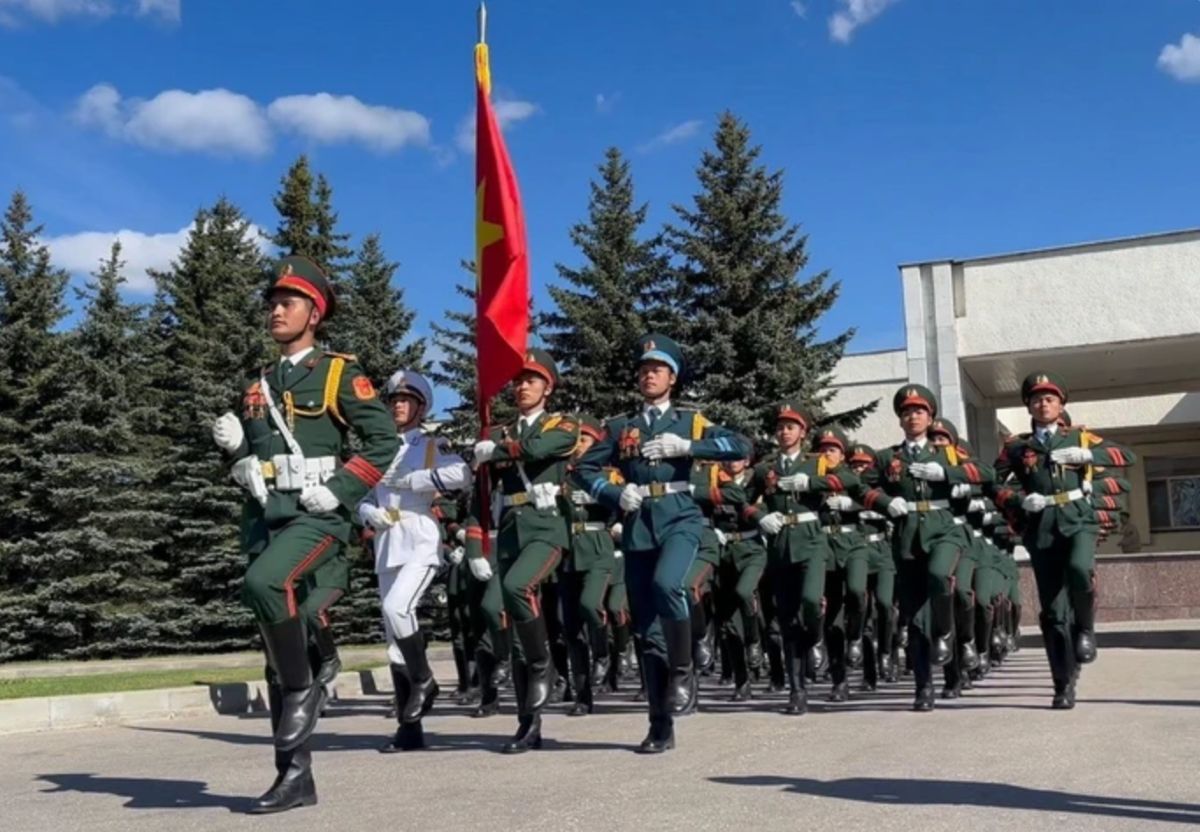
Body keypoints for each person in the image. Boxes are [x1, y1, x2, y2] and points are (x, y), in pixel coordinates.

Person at [212, 256, 398, 813]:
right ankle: (295, 776)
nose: (275, 309)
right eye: (272, 301)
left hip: (318, 513)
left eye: (287, 302)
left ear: (314, 312)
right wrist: (237, 453)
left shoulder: (340, 372)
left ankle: (305, 686)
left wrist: (342, 489)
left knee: (266, 583)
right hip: (270, 515)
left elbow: (382, 441)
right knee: (274, 650)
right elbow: (259, 454)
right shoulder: (260, 383)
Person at [575, 333, 749, 752]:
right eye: (643, 369)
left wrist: (689, 446)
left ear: (672, 377)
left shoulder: (691, 420)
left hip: (681, 518)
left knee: (669, 584)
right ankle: (660, 725)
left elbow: (741, 445)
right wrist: (615, 494)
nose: (648, 375)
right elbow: (582, 469)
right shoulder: (621, 426)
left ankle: (684, 668)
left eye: (656, 368)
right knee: (647, 630)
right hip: (639, 526)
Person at [992, 372, 1136, 709]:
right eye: (1037, 399)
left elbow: (1125, 456)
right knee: (1054, 611)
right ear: (1028, 405)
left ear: (1061, 405)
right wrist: (1016, 500)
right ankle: (1062, 682)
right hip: (1040, 526)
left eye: (1050, 398)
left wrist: (1089, 458)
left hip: (1078, 519)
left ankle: (1086, 628)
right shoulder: (1017, 447)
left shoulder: (1082, 439)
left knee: (1079, 569)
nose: (1044, 404)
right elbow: (992, 483)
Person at [465, 349, 580, 752]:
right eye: (517, 381)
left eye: (531, 380)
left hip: (547, 528)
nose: (521, 387)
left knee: (516, 587)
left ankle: (543, 663)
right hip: (510, 531)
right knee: (496, 609)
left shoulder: (563, 424)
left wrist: (495, 450)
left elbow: (538, 448)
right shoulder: (497, 431)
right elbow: (478, 497)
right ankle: (528, 724)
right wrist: (473, 543)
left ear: (548, 387)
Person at [359, 370, 470, 752]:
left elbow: (462, 473)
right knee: (393, 637)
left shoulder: (429, 443)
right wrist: (365, 512)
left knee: (397, 607)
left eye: (406, 400)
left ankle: (425, 678)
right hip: (388, 541)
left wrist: (417, 481)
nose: (398, 406)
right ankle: (410, 728)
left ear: (421, 407)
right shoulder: (378, 446)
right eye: (394, 400)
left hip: (420, 538)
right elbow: (361, 490)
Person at [859, 385, 985, 712]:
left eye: (919, 411)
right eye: (906, 412)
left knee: (940, 577)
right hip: (906, 537)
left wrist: (947, 472)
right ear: (900, 420)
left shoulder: (947, 452)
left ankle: (945, 635)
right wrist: (886, 501)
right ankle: (924, 687)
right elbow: (858, 485)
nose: (912, 416)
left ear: (930, 417)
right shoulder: (889, 457)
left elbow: (984, 473)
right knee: (914, 617)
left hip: (944, 529)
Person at [745, 404, 863, 715]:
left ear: (803, 432)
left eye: (791, 426)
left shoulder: (818, 463)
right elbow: (741, 499)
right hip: (780, 545)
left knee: (812, 601)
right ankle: (797, 691)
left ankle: (817, 638)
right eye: (781, 426)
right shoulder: (764, 469)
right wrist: (760, 516)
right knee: (786, 620)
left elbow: (851, 480)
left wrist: (810, 484)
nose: (784, 431)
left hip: (812, 541)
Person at [560, 415, 619, 716]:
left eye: (584, 440)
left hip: (598, 547)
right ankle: (582, 695)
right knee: (570, 627)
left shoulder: (608, 475)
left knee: (590, 603)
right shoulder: (561, 476)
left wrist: (611, 511)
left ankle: (603, 653)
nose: (578, 445)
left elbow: (625, 503)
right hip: (569, 552)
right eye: (575, 440)